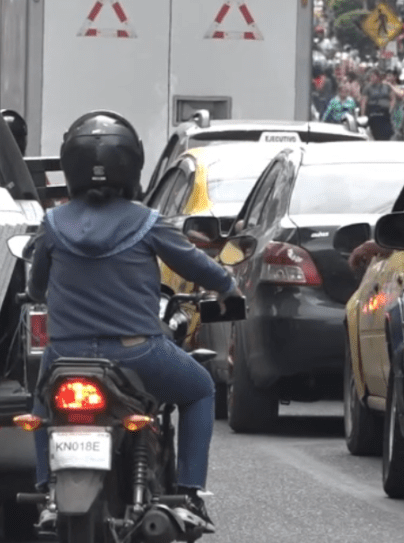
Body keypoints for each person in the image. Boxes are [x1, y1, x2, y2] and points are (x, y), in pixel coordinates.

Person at [27, 111, 242, 532]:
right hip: (137, 353)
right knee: (199, 390)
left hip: (65, 355)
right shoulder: (146, 222)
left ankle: (48, 494)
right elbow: (199, 266)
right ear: (132, 166)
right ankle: (190, 494)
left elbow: (36, 288)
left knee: (43, 409)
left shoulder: (53, 223)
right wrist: (229, 284)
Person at [360, 69, 397, 141]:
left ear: (378, 77)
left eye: (373, 76)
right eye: (370, 77)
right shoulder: (368, 88)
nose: (371, 78)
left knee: (387, 133)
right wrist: (362, 115)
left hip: (385, 113)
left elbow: (393, 98)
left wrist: (391, 108)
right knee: (375, 133)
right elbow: (363, 102)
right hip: (373, 113)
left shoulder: (386, 87)